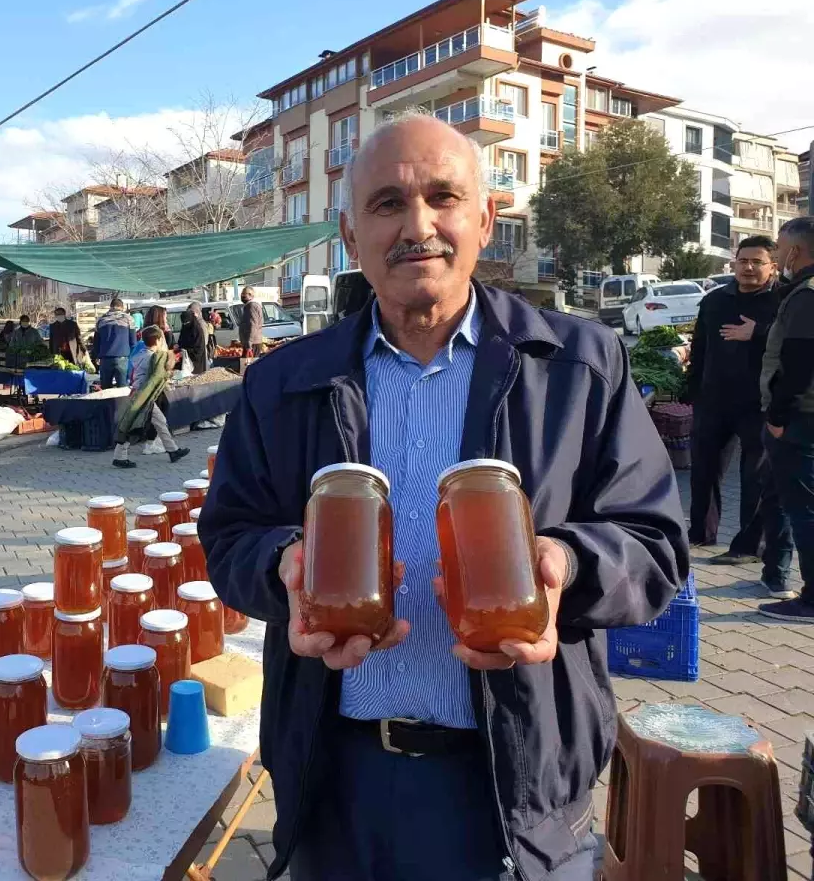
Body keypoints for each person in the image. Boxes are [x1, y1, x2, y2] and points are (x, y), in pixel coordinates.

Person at [199, 111, 687, 881]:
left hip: (516, 779)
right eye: (387, 203)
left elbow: (655, 542)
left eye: (443, 197)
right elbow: (228, 534)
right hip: (338, 780)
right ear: (350, 236)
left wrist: (566, 564)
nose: (418, 225)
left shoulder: (576, 367)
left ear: (486, 219)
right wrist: (284, 566)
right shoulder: (280, 384)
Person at [685, 236, 784, 566]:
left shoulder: (783, 301)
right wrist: (692, 390)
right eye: (743, 261)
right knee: (703, 470)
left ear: (773, 266)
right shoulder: (715, 301)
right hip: (714, 399)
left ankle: (748, 545)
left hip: (758, 404)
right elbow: (700, 349)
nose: (749, 267)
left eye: (758, 262)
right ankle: (700, 532)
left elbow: (796, 344)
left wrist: (757, 332)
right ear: (734, 262)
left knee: (754, 476)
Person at [758, 215, 814, 622]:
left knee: (804, 511)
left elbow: (798, 363)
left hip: (800, 421)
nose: (777, 255)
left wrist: (777, 416)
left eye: (779, 247)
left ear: (794, 249)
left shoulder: (806, 296)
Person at [111, 326, 189, 470]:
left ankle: (173, 450)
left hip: (137, 393)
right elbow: (158, 374)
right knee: (132, 426)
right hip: (144, 395)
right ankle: (119, 457)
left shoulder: (138, 355)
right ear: (159, 340)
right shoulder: (153, 357)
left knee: (159, 422)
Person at [95, 297, 136, 389]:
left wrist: (97, 356)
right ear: (122, 307)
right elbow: (133, 341)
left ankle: (107, 404)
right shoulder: (129, 319)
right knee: (122, 389)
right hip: (122, 359)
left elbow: (96, 342)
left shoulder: (100, 320)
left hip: (105, 359)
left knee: (106, 389)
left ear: (110, 307)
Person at [177, 302, 210, 375]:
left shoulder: (199, 327)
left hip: (197, 361)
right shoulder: (185, 327)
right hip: (186, 362)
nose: (185, 324)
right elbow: (181, 341)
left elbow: (201, 346)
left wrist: (186, 351)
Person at [238, 286, 264, 356]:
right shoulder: (251, 306)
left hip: (253, 343)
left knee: (248, 365)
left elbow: (252, 325)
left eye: (244, 294)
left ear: (250, 295)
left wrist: (249, 343)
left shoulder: (251, 306)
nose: (242, 296)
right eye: (241, 294)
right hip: (253, 342)